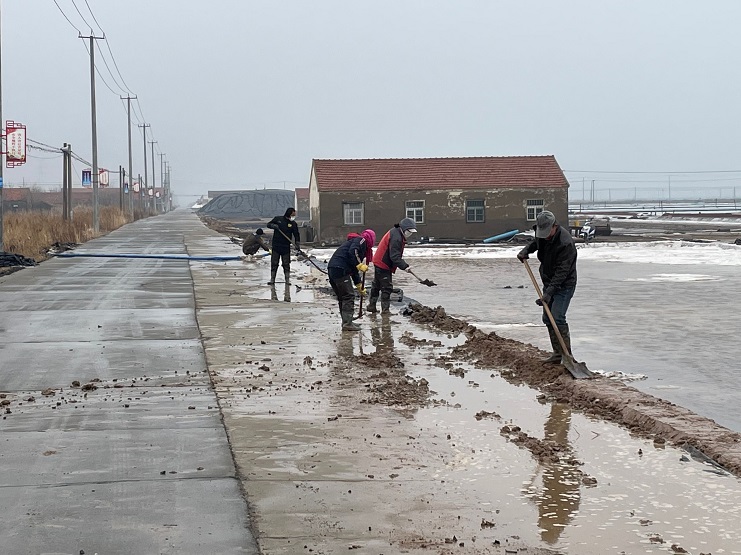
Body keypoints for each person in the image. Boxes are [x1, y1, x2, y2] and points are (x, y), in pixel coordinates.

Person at [517, 210, 578, 364]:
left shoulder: (566, 244)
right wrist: (526, 250)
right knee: (547, 318)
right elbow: (536, 243)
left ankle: (567, 356)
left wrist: (549, 293)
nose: (544, 236)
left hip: (564, 284)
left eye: (547, 233)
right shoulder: (542, 234)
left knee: (557, 317)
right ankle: (557, 354)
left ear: (554, 226)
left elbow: (562, 272)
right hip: (549, 281)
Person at [327, 229, 376, 331]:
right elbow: (353, 251)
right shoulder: (361, 240)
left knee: (342, 297)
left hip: (333, 268)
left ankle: (346, 321)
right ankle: (347, 323)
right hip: (340, 269)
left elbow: (353, 269)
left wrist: (359, 285)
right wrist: (359, 264)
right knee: (348, 296)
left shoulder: (357, 244)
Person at [367, 217, 416, 314]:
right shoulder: (396, 238)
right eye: (409, 231)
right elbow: (394, 256)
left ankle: (371, 306)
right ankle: (385, 311)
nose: (410, 234)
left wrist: (404, 266)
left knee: (376, 285)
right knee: (387, 287)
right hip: (383, 263)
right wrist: (405, 266)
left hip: (379, 261)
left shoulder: (396, 232)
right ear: (404, 229)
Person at [266, 207, 301, 285]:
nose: (294, 216)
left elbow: (296, 234)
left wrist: (297, 243)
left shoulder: (293, 224)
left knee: (286, 264)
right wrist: (273, 225)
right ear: (289, 214)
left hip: (285, 247)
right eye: (293, 215)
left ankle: (287, 280)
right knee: (274, 264)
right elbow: (268, 224)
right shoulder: (278, 219)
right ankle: (272, 280)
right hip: (276, 246)